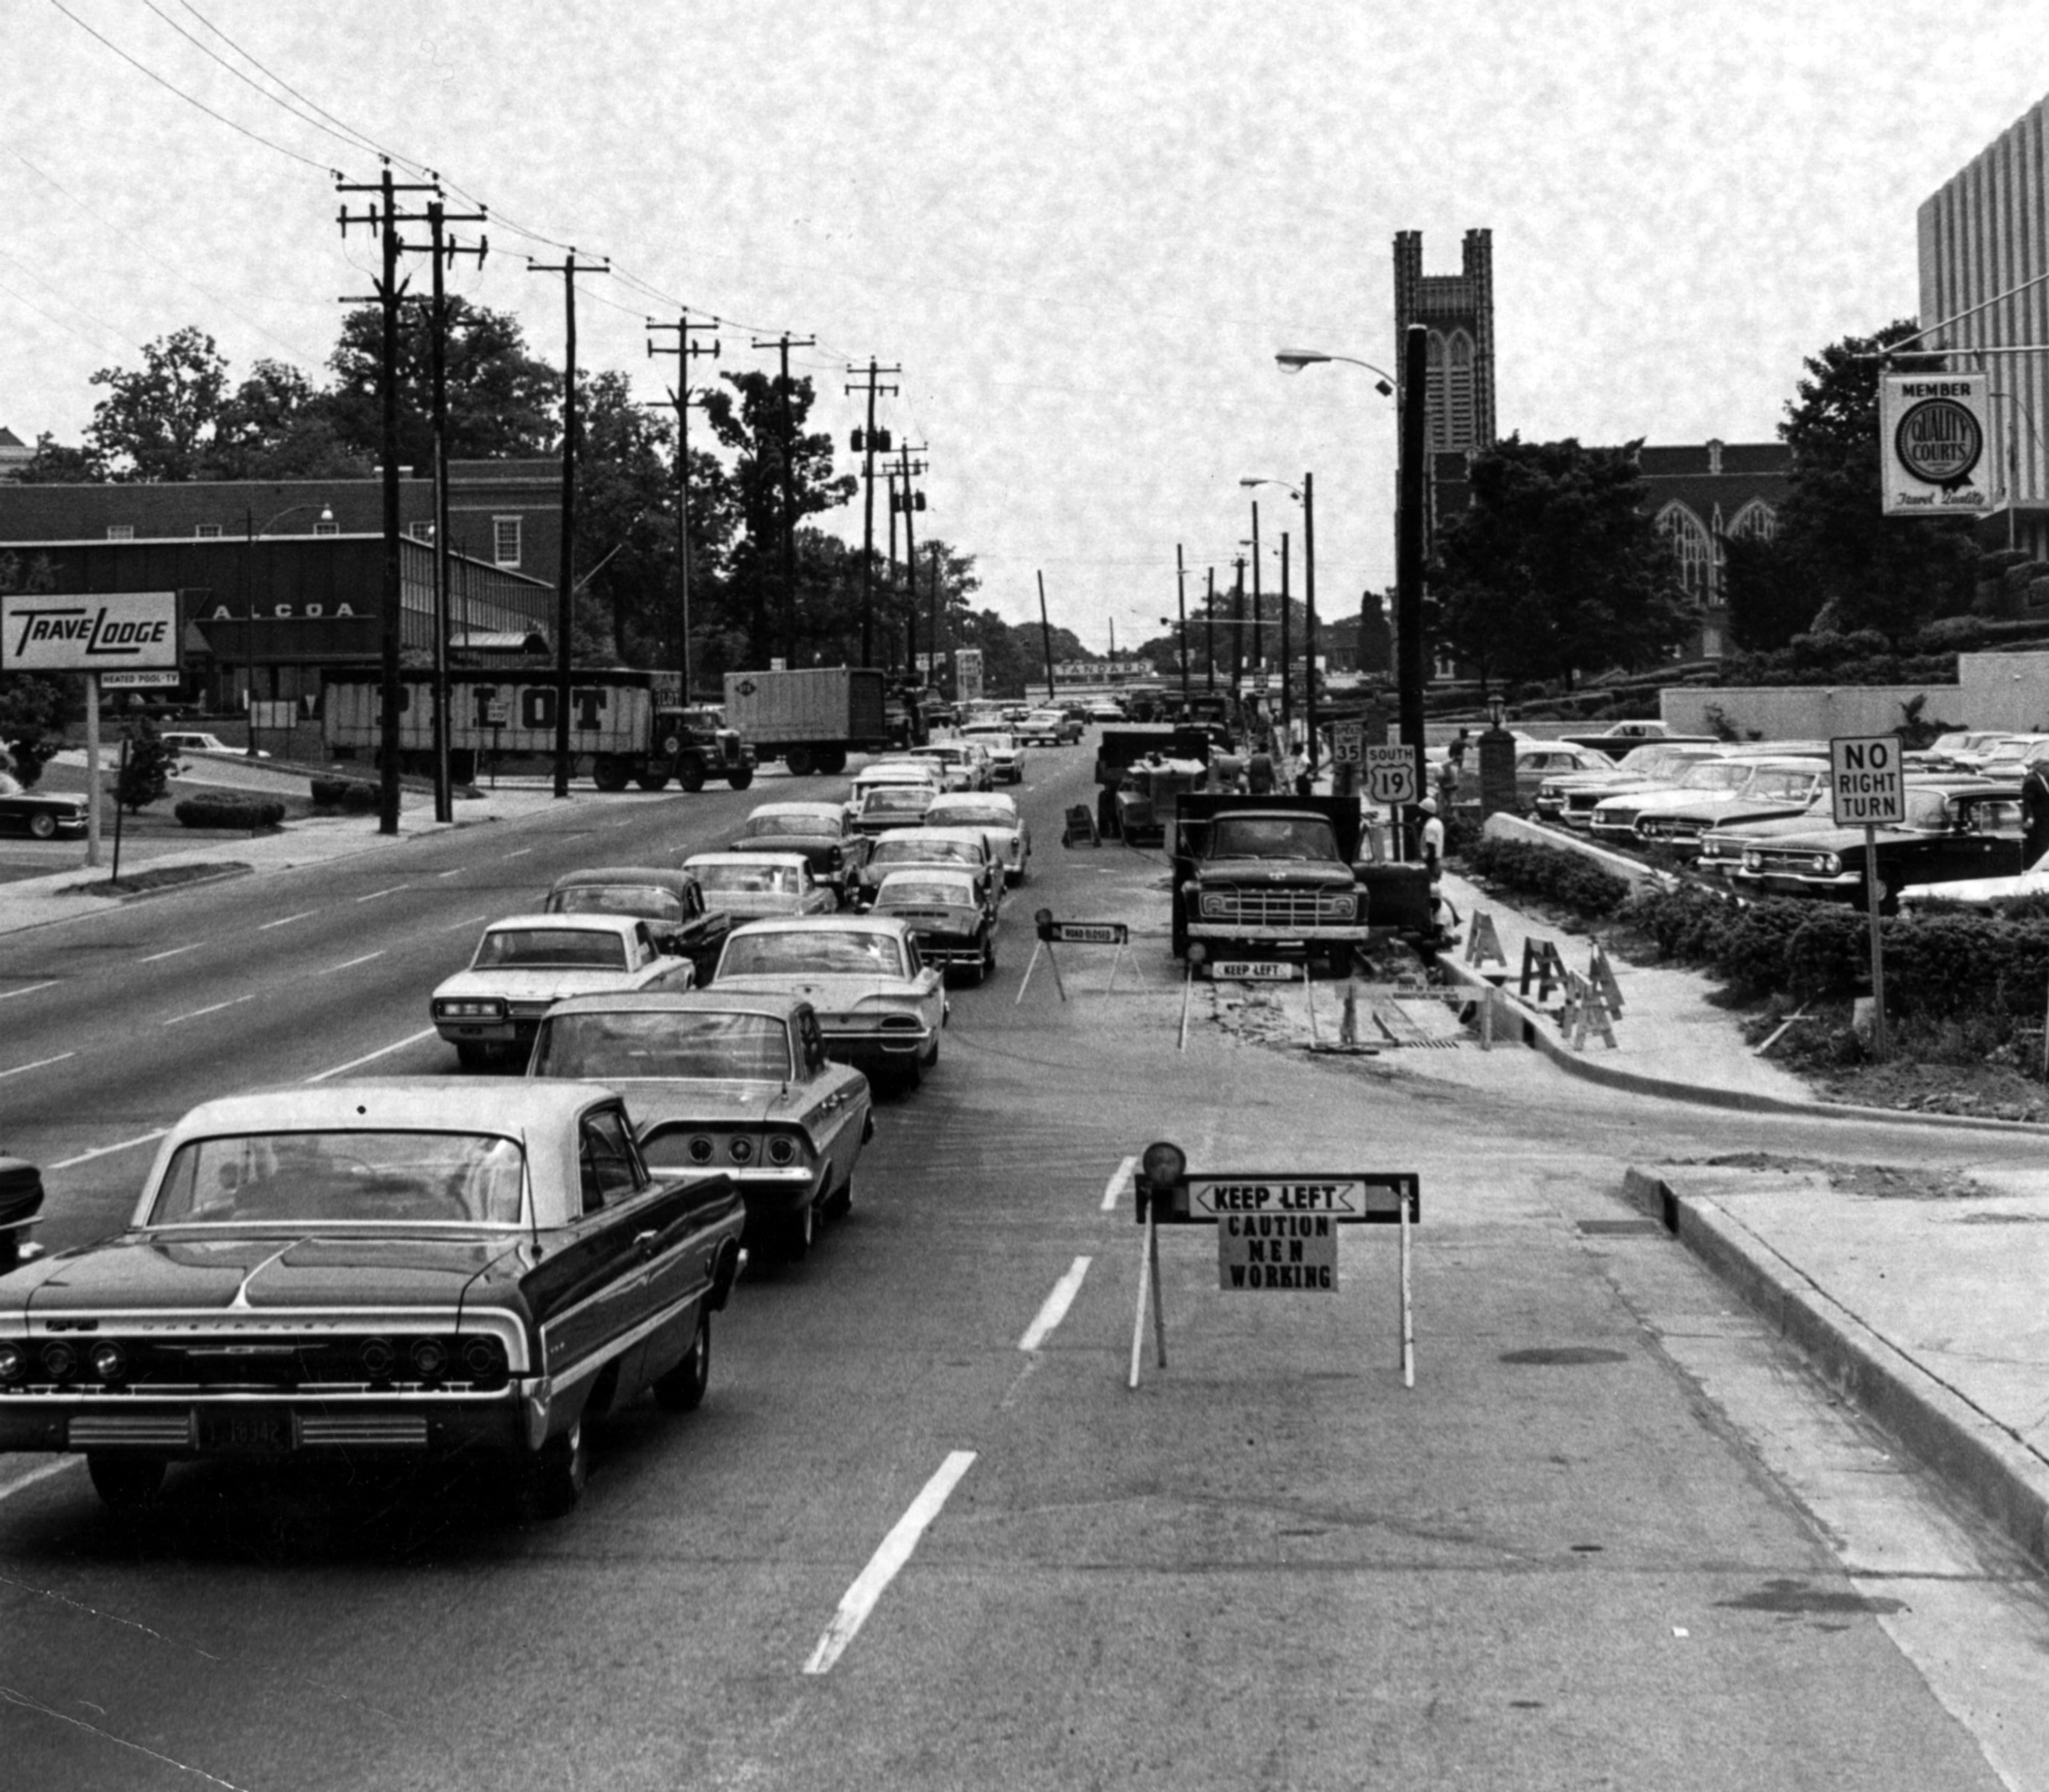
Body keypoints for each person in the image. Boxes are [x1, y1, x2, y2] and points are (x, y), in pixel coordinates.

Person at [1417, 794, 1446, 880]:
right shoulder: (1437, 823)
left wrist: (1427, 869)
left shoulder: (1430, 827)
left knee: (1430, 889)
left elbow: (1431, 849)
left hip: (1432, 865)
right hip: (1438, 862)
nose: (1419, 813)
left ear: (1426, 812)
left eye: (1421, 811)